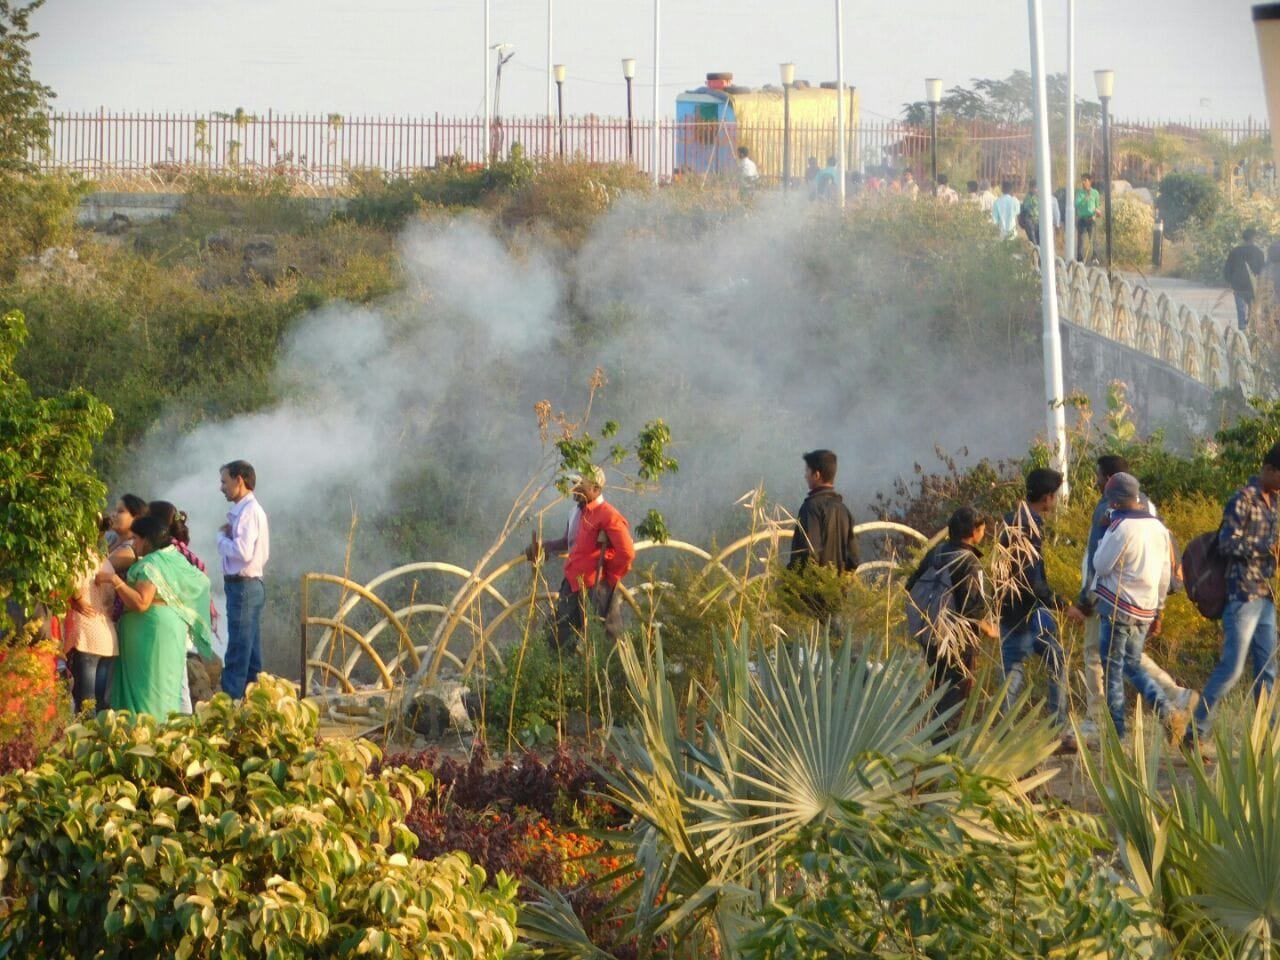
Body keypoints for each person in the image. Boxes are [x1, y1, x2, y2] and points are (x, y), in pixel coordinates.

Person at [1071, 455, 1191, 737]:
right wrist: (1159, 612)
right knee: (1132, 664)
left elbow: (1099, 564)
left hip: (1115, 607)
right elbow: (1164, 574)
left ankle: (1118, 733)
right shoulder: (1158, 527)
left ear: (1114, 497)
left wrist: (1085, 600)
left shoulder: (1119, 525)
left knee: (1111, 670)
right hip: (1146, 608)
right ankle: (1166, 708)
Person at [1187, 443, 1280, 747]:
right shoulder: (1242, 499)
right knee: (1232, 668)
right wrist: (1264, 550)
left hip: (1264, 595)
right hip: (1241, 594)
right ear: (1269, 470)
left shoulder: (1274, 502)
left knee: (1268, 671)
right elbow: (1227, 544)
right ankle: (1195, 730)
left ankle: (1268, 738)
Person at [101, 515, 214, 718]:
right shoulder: (173, 558)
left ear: (147, 539)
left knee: (148, 693)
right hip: (170, 630)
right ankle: (165, 739)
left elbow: (142, 602)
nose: (134, 544)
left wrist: (114, 580)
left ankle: (145, 739)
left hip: (150, 637)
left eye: (136, 538)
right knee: (166, 689)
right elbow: (203, 582)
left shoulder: (151, 564)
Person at [997, 468, 1074, 746]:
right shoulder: (1028, 527)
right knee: (1017, 670)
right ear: (1047, 497)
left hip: (1017, 610)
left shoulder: (1011, 519)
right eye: (1054, 497)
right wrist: (1064, 606)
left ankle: (1016, 733)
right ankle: (1053, 728)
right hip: (1025, 611)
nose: (1055, 502)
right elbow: (1032, 579)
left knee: (1046, 661)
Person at [905, 506, 998, 731]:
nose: (983, 533)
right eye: (983, 529)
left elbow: (911, 585)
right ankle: (943, 748)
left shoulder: (936, 553)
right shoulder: (969, 562)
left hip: (930, 636)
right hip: (958, 642)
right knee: (956, 695)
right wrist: (990, 629)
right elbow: (972, 609)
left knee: (940, 689)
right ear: (974, 532)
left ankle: (932, 741)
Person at [528, 466, 636, 655]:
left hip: (598, 586)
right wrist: (544, 547)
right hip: (572, 583)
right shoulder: (575, 513)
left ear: (595, 488)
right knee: (558, 635)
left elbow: (626, 552)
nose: (574, 489)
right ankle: (560, 680)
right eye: (573, 484)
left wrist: (610, 577)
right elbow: (567, 542)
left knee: (606, 640)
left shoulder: (608, 515)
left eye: (579, 485)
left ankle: (610, 681)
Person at [151, 500, 220, 710]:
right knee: (178, 679)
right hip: (181, 622)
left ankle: (179, 724)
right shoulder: (182, 552)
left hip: (173, 623)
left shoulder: (169, 554)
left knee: (174, 680)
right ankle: (183, 724)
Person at [217, 459, 270, 699]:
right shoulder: (249, 510)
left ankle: (229, 705)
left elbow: (243, 551)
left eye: (225, 481)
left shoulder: (248, 512)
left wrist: (221, 539)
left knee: (238, 650)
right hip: (250, 586)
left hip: (244, 587)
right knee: (250, 653)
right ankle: (252, 703)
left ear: (240, 480)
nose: (222, 487)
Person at [789, 449, 861, 575]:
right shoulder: (843, 509)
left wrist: (790, 579)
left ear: (816, 475)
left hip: (812, 590)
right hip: (836, 591)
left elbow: (810, 552)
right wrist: (840, 581)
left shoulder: (811, 508)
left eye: (807, 471)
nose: (805, 476)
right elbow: (854, 558)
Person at [65, 544, 118, 713]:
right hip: (107, 638)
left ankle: (84, 738)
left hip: (87, 635)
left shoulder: (78, 556)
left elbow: (70, 581)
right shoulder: (106, 562)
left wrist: (77, 598)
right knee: (99, 702)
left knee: (85, 702)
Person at [1224, 227, 1265, 332]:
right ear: (1253, 237)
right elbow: (1262, 270)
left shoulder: (1235, 251)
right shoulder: (1259, 252)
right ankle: (1252, 330)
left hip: (1238, 285)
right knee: (1253, 309)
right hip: (1253, 286)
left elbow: (1227, 268)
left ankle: (1242, 330)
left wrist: (1230, 281)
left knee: (1240, 310)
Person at [1075, 173, 1102, 262]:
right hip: (1082, 219)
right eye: (1082, 180)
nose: (1083, 182)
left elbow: (1097, 205)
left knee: (1094, 239)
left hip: (1091, 218)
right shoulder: (1079, 193)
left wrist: (1097, 213)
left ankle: (1095, 258)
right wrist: (1085, 198)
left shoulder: (1095, 193)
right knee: (1081, 240)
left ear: (1090, 181)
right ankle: (1080, 258)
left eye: (1085, 180)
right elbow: (1077, 204)